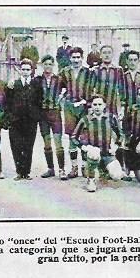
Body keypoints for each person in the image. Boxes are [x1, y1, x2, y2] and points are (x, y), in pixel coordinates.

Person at [70, 95, 124, 193]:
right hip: (93, 154)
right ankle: (91, 179)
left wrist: (116, 146)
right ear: (91, 106)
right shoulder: (85, 119)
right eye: (95, 104)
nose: (97, 107)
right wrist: (83, 147)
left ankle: (103, 170)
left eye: (100, 104)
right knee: (94, 153)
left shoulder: (111, 117)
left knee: (117, 176)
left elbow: (120, 134)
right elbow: (74, 137)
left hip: (107, 154)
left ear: (104, 106)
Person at [59, 45, 93, 179]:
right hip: (69, 106)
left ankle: (85, 167)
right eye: (73, 57)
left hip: (84, 106)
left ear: (82, 58)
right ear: (69, 58)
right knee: (72, 137)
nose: (76, 60)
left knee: (84, 136)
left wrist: (85, 101)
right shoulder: (64, 72)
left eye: (78, 57)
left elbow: (91, 89)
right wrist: (62, 96)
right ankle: (74, 167)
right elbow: (60, 87)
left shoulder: (88, 72)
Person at [5, 58, 39, 180]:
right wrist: (9, 117)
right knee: (16, 146)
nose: (25, 72)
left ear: (31, 70)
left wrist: (36, 116)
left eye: (28, 69)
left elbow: (39, 101)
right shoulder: (14, 84)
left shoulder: (36, 84)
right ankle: (19, 172)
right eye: (23, 69)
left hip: (30, 121)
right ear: (20, 70)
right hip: (16, 121)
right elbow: (7, 101)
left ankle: (27, 172)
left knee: (28, 146)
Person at [33, 54, 66, 178]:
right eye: (45, 64)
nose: (48, 66)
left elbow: (69, 89)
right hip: (43, 115)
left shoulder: (59, 79)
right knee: (47, 142)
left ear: (53, 65)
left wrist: (61, 97)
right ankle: (51, 169)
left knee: (58, 142)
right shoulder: (37, 80)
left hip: (55, 113)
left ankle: (62, 169)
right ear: (42, 66)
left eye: (50, 64)